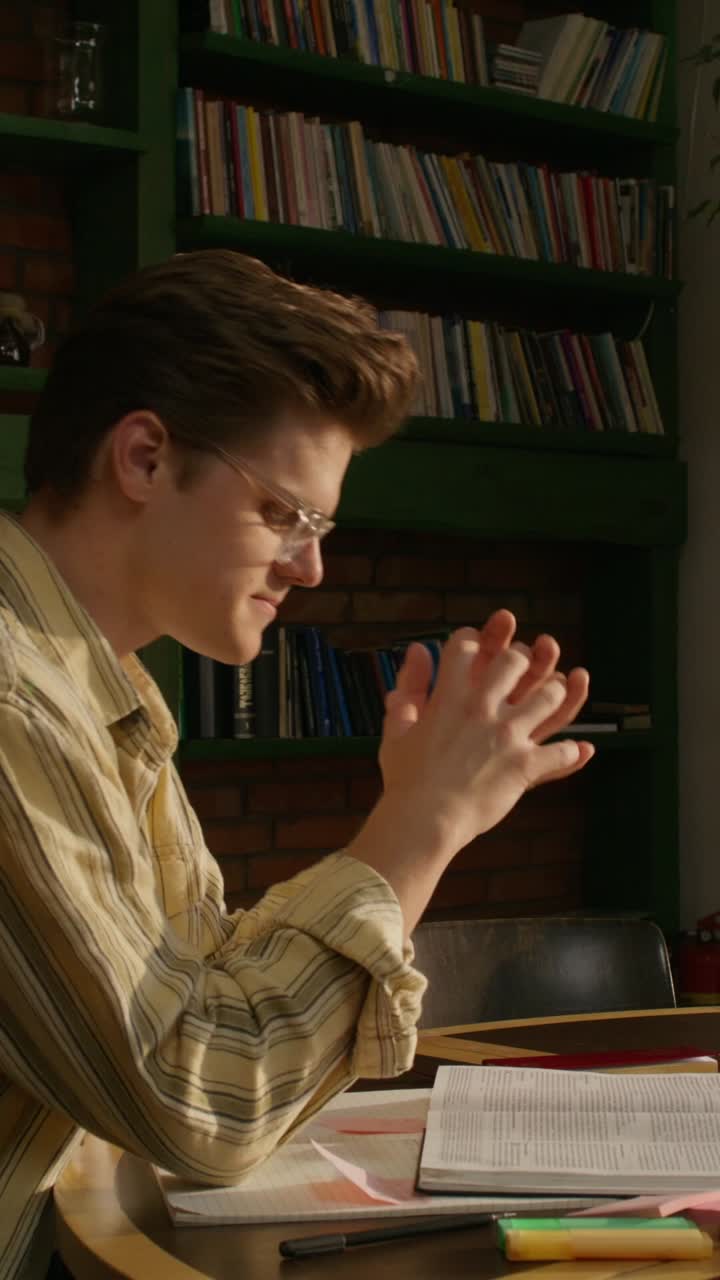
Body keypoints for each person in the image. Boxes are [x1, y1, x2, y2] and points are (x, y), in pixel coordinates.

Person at [0, 249, 594, 1280]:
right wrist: (419, 826)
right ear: (143, 458)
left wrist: (415, 813)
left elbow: (202, 991)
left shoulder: (106, 689)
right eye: (286, 512)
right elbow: (202, 1101)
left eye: (320, 525)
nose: (311, 565)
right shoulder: (17, 701)